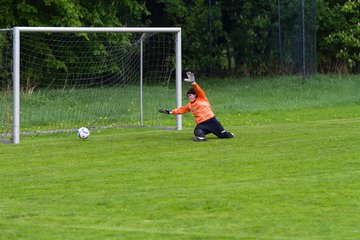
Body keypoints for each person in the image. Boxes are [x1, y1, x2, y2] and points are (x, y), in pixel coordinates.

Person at [159, 72, 234, 141]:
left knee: (225, 136)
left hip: (212, 121)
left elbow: (199, 90)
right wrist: (170, 112)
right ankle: (201, 137)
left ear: (195, 95)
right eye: (188, 96)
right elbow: (181, 110)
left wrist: (193, 82)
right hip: (202, 124)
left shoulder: (202, 98)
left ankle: (227, 133)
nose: (189, 97)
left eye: (191, 95)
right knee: (197, 131)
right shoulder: (190, 105)